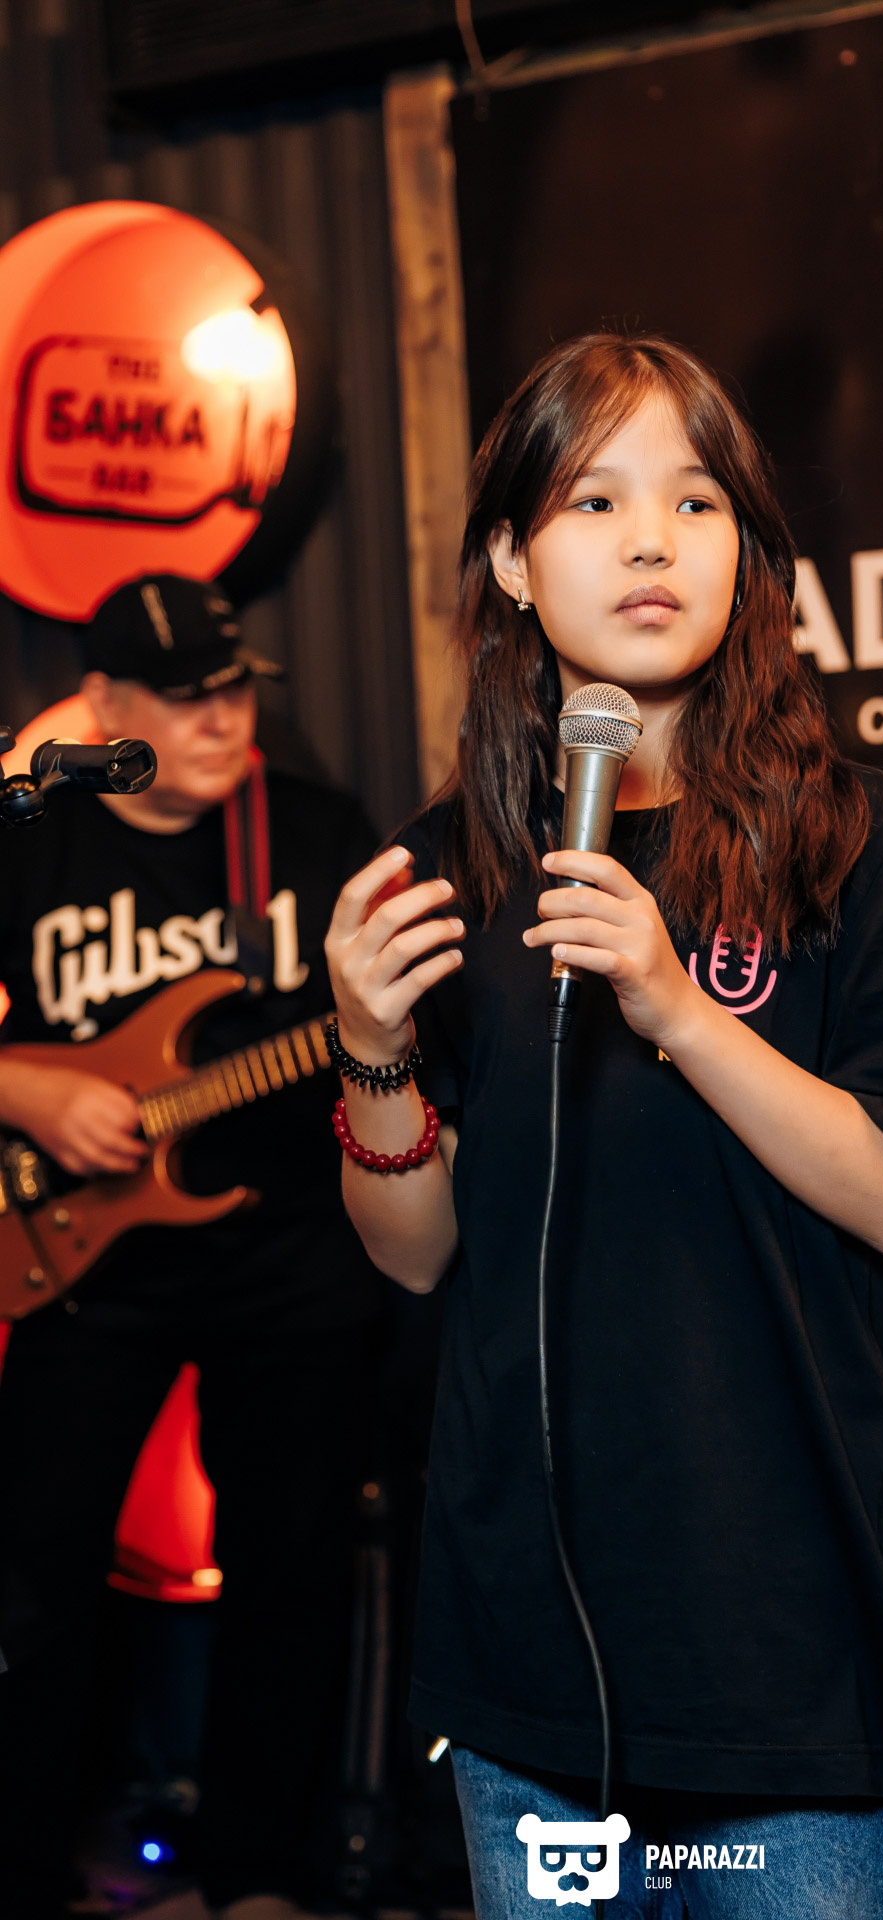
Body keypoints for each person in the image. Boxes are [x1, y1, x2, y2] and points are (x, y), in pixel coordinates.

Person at [325, 335, 883, 1919]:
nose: (649, 545)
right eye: (595, 502)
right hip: (527, 1655)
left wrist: (679, 1007)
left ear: (744, 552)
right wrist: (370, 1050)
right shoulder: (450, 866)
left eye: (694, 504)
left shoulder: (859, 837)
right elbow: (415, 1255)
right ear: (509, 559)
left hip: (789, 1652)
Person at [0, 576, 381, 1920]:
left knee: (293, 1571)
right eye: (180, 698)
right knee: (33, 1582)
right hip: (82, 1263)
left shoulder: (318, 834)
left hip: (291, 1262)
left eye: (232, 689)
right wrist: (29, 1090)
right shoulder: (33, 839)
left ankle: (258, 1875)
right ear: (102, 707)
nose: (220, 720)